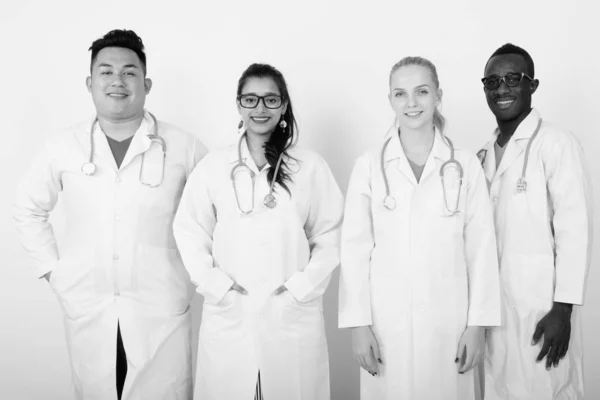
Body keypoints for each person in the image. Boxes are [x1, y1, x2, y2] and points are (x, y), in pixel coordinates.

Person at [14, 29, 207, 400]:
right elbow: (28, 208)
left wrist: (195, 275)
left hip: (160, 305)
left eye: (129, 72)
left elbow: (215, 214)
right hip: (88, 301)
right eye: (106, 71)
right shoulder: (62, 146)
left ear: (146, 83)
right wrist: (57, 274)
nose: (118, 80)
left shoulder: (184, 146)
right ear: (90, 83)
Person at [173, 63, 343, 400]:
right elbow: (190, 231)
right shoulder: (214, 167)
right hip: (231, 313)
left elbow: (331, 235)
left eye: (269, 99)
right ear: (239, 105)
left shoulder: (309, 167)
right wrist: (216, 284)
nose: (260, 108)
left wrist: (301, 287)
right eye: (250, 100)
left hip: (290, 313)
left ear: (283, 106)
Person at [338, 56, 501, 400]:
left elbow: (482, 249)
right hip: (386, 326)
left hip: (450, 323)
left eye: (422, 92)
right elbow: (354, 252)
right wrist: (357, 324)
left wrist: (478, 325)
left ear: (438, 95)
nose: (411, 103)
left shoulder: (465, 164)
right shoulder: (369, 167)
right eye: (401, 94)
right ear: (390, 101)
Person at [479, 43, 593, 400]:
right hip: (495, 310)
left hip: (542, 310)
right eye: (492, 81)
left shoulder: (556, 144)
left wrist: (563, 308)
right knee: (501, 390)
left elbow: (576, 230)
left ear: (533, 85)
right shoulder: (482, 155)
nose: (502, 89)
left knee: (547, 390)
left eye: (514, 78)